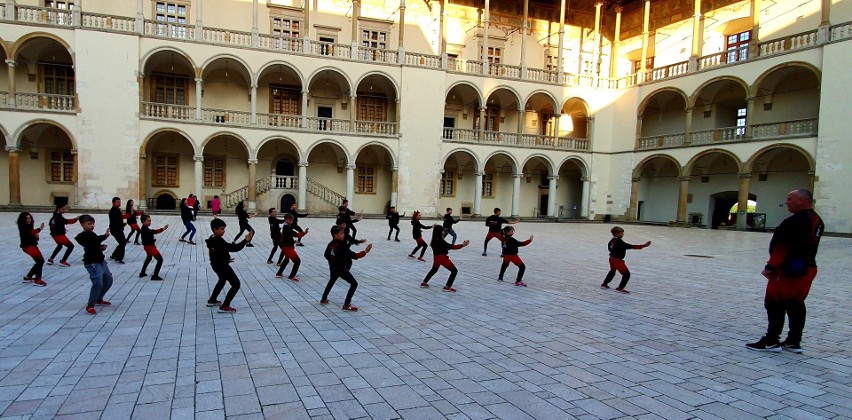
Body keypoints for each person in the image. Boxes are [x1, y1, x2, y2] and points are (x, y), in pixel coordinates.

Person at [747, 189, 824, 353]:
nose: (787, 202)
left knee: (774, 303)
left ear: (802, 200)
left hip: (789, 270)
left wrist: (770, 267)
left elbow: (782, 248)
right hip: (808, 267)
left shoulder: (794, 222)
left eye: (790, 199)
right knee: (796, 303)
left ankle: (771, 340)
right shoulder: (817, 220)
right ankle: (793, 341)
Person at [206, 218, 254, 313]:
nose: (224, 231)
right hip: (222, 266)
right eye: (222, 229)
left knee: (222, 280)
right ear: (215, 229)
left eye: (224, 228)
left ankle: (212, 300)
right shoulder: (218, 240)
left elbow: (216, 253)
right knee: (236, 284)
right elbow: (234, 248)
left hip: (216, 265)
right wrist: (245, 240)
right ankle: (225, 306)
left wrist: (226, 258)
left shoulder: (212, 238)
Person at [321, 225, 372, 311]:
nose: (343, 235)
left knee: (332, 280)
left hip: (333, 267)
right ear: (335, 235)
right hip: (340, 268)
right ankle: (346, 304)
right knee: (354, 284)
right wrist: (365, 251)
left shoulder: (330, 244)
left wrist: (332, 261)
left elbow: (326, 255)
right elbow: (354, 256)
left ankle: (324, 298)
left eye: (343, 233)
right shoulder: (342, 245)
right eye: (341, 233)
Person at [75, 215, 113, 315]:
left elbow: (94, 244)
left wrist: (101, 247)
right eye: (89, 224)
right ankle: (90, 305)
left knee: (108, 280)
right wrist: (104, 237)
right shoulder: (81, 236)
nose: (92, 226)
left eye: (93, 224)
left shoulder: (92, 234)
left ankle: (99, 299)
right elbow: (90, 243)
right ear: (82, 225)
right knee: (98, 283)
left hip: (100, 261)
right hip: (92, 263)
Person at [600, 226, 651, 294]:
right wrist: (643, 246)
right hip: (617, 260)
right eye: (621, 233)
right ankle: (620, 288)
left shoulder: (612, 241)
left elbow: (609, 249)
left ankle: (604, 284)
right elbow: (630, 246)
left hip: (611, 258)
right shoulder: (619, 242)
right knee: (626, 274)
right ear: (617, 234)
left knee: (612, 271)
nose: (623, 234)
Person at [419, 226, 470, 292]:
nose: (444, 232)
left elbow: (447, 247)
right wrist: (462, 245)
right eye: (443, 231)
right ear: (439, 232)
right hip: (442, 257)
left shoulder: (434, 240)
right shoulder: (440, 241)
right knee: (454, 271)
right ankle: (447, 287)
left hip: (436, 257)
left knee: (434, 270)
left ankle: (424, 283)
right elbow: (451, 246)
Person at [275, 214, 309, 281]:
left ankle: (279, 273)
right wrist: (304, 233)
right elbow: (295, 234)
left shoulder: (286, 226)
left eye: (292, 220)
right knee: (297, 261)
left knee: (286, 260)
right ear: (286, 220)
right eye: (290, 220)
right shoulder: (287, 227)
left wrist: (293, 241)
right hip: (288, 248)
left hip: (286, 246)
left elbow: (287, 237)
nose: (291, 221)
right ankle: (291, 276)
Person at [18, 212, 47, 287]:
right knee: (40, 261)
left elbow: (32, 235)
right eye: (26, 218)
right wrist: (39, 229)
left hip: (32, 245)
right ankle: (38, 280)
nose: (28, 220)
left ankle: (28, 277)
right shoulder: (22, 226)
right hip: (27, 247)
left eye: (29, 218)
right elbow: (30, 233)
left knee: (39, 261)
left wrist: (36, 236)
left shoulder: (29, 226)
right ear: (23, 220)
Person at [139, 214, 168, 280]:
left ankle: (142, 272)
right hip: (150, 247)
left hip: (147, 247)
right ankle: (155, 275)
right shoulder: (145, 230)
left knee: (149, 258)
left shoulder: (144, 228)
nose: (150, 222)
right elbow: (153, 232)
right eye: (148, 221)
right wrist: (162, 229)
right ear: (143, 222)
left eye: (150, 221)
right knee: (160, 260)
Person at [108, 196, 127, 263]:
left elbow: (119, 219)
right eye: (118, 202)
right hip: (116, 229)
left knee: (122, 243)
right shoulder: (113, 211)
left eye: (120, 202)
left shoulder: (117, 210)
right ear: (113, 203)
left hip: (118, 229)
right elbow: (116, 220)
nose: (119, 203)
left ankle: (114, 255)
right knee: (122, 243)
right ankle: (118, 258)